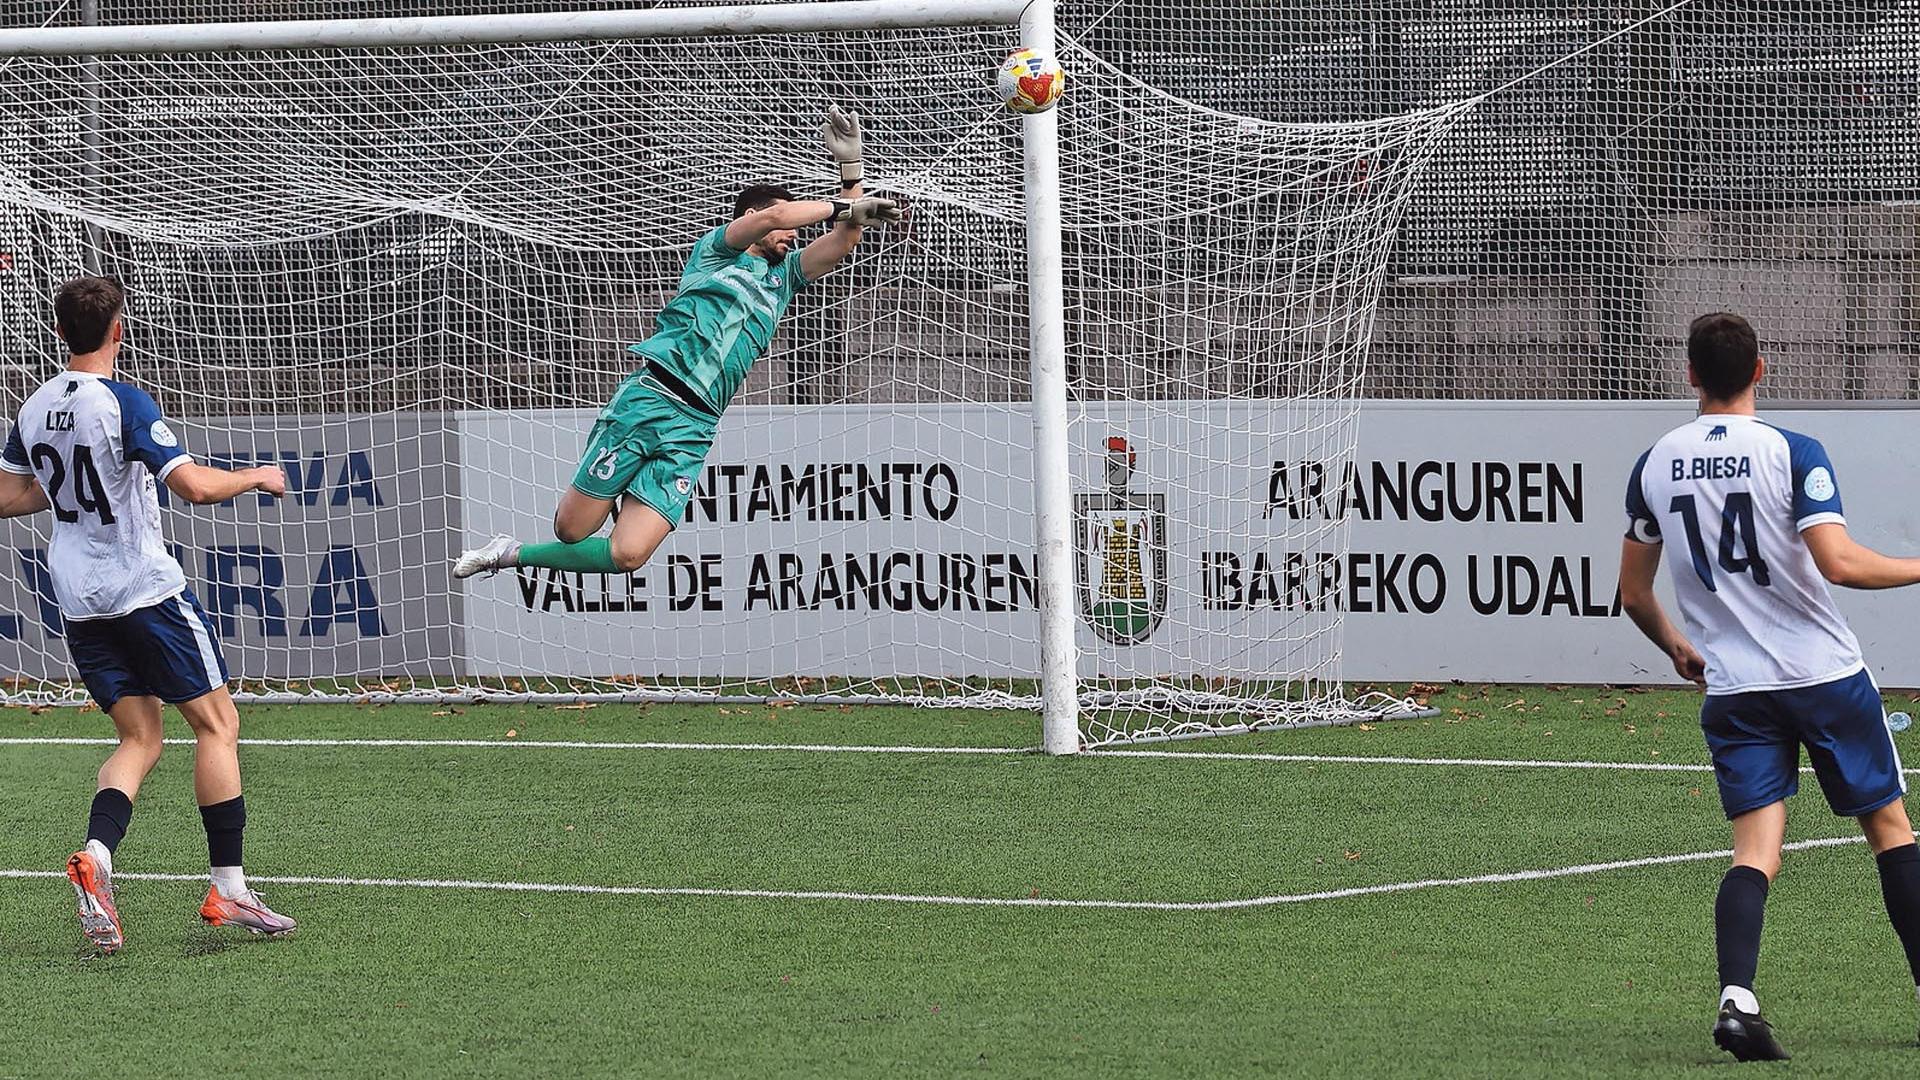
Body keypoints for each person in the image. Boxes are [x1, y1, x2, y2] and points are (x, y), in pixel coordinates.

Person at [1618, 311, 1920, 1060]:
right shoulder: (1792, 450)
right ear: (1760, 370)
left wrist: (1677, 646)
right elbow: (1839, 564)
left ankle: (1738, 1001)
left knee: (1754, 850)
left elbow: (1633, 593)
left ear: (1690, 374)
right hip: (1823, 676)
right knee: (1890, 831)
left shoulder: (1655, 461)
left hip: (1737, 688)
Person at [453, 106, 902, 581]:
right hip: (652, 398)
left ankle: (509, 554)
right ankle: (599, 491)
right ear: (752, 219)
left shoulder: (785, 277)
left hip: (697, 423)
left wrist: (851, 171)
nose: (793, 237)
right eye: (786, 230)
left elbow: (844, 241)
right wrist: (842, 207)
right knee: (571, 529)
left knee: (628, 555)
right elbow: (781, 214)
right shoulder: (716, 253)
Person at [0, 275, 296, 953]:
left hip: (79, 599)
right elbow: (193, 488)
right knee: (218, 725)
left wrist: (68, 491)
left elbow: (7, 497)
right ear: (118, 331)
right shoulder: (124, 402)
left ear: (59, 333)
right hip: (142, 590)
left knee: (140, 738)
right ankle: (228, 887)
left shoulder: (34, 407)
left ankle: (97, 857)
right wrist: (256, 476)